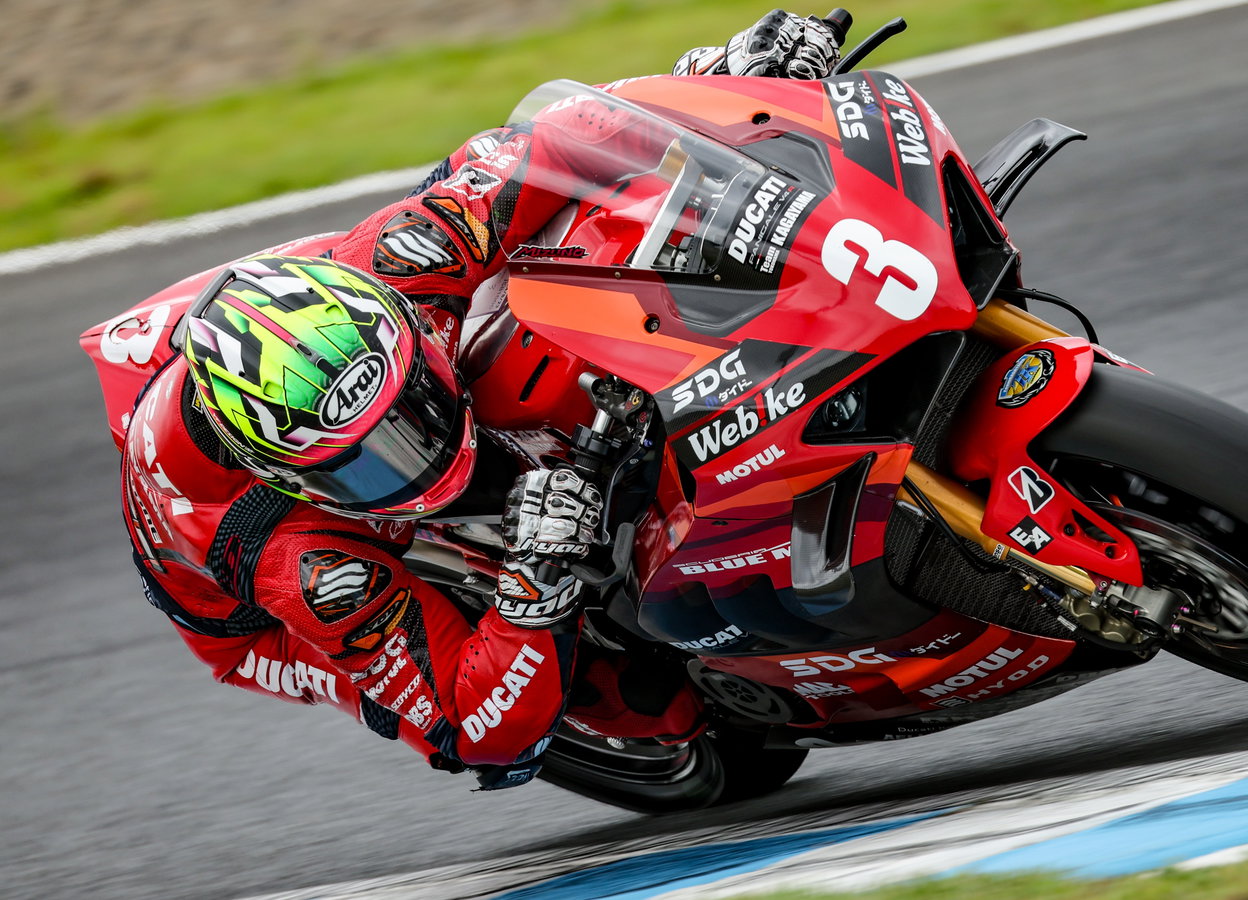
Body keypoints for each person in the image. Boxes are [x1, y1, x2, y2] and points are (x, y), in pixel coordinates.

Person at [121, 10, 841, 791]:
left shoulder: (402, 260)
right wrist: (534, 576)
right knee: (636, 705)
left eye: (413, 411)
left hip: (313, 324)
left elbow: (563, 138)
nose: (422, 454)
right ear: (294, 476)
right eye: (370, 461)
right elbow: (476, 726)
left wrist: (720, 78)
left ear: (400, 322)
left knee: (573, 253)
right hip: (243, 613)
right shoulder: (295, 556)